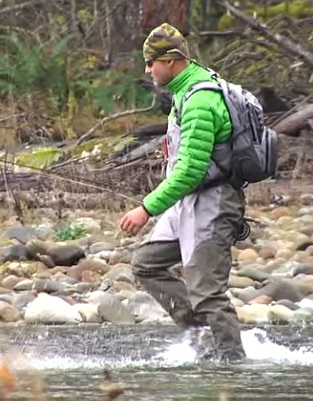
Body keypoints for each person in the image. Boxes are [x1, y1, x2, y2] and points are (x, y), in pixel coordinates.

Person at [119, 22, 246, 362]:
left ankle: (233, 368)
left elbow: (191, 169)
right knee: (146, 264)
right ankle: (201, 337)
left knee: (209, 294)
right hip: (187, 203)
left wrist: (146, 208)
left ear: (173, 60)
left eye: (152, 62)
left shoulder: (202, 100)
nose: (147, 69)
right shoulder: (184, 91)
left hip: (213, 205)